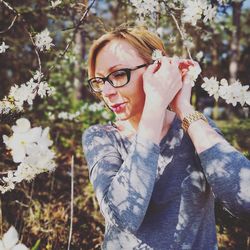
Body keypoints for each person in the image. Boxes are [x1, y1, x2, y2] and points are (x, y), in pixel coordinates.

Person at [82, 26, 250, 250]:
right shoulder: (101, 138)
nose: (107, 92)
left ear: (156, 69)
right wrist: (155, 107)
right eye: (100, 81)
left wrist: (183, 107)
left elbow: (245, 200)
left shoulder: (196, 129)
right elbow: (123, 218)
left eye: (119, 74)